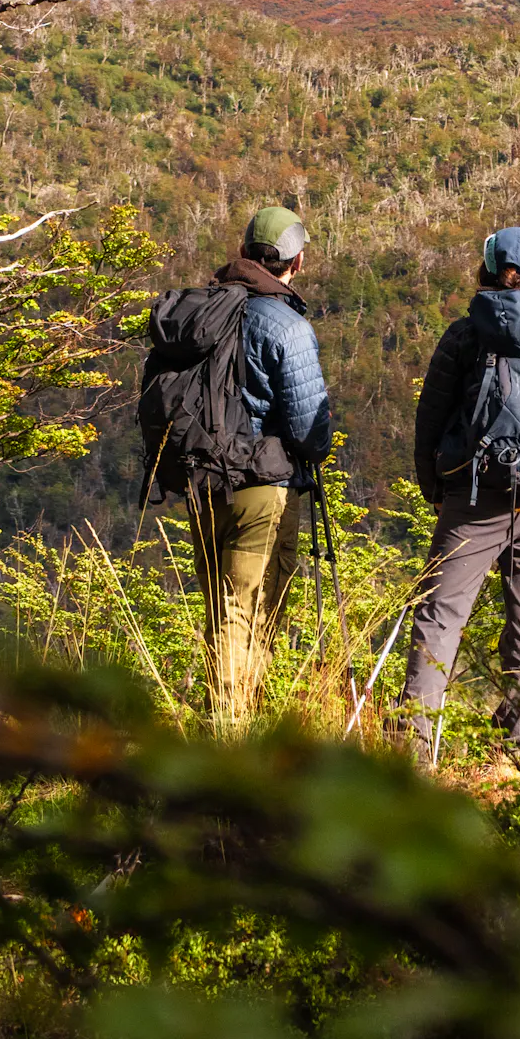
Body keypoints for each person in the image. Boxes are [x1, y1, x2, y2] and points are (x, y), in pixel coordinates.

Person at [400, 225, 520, 770]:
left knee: (441, 618)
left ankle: (413, 754)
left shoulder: (468, 335)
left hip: (477, 494)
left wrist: (434, 487)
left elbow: (430, 419)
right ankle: (517, 753)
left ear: (487, 270)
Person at [185, 204, 334, 727]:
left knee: (221, 604)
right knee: (248, 604)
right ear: (295, 262)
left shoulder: (206, 308)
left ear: (247, 253)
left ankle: (235, 711)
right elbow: (308, 425)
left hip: (201, 479)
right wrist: (317, 450)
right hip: (261, 482)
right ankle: (231, 725)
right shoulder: (283, 324)